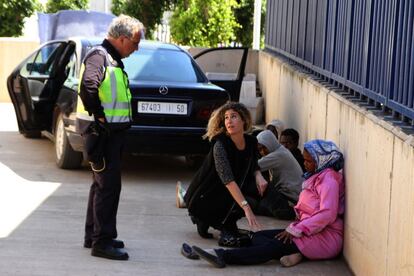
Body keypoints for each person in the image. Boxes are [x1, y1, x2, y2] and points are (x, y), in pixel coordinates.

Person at [185, 139, 345, 268]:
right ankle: (294, 253)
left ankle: (221, 255)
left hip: (326, 237)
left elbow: (327, 214)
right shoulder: (318, 176)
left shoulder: (328, 180)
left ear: (321, 160)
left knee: (272, 246)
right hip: (309, 232)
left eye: (309, 161)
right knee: (259, 236)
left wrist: (296, 229)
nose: (305, 163)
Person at [76, 15, 144, 260]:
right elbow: (88, 85)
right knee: (108, 187)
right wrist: (100, 116)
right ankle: (102, 242)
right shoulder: (99, 55)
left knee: (101, 184)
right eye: (134, 43)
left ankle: (93, 234)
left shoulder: (112, 58)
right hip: (103, 133)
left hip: (112, 133)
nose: (136, 49)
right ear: (122, 38)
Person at [184, 102, 268, 245]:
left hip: (227, 191)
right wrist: (246, 207)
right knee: (242, 205)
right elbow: (228, 180)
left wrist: (258, 175)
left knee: (257, 194)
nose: (229, 121)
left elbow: (253, 161)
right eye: (226, 118)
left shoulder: (251, 141)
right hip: (206, 195)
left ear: (244, 120)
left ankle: (227, 221)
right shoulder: (220, 145)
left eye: (233, 117)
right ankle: (202, 219)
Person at [255, 130, 303, 219]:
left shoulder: (279, 155)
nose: (263, 152)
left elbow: (253, 166)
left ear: (271, 143)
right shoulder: (280, 151)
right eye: (260, 149)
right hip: (289, 197)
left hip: (289, 200)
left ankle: (285, 211)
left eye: (264, 147)